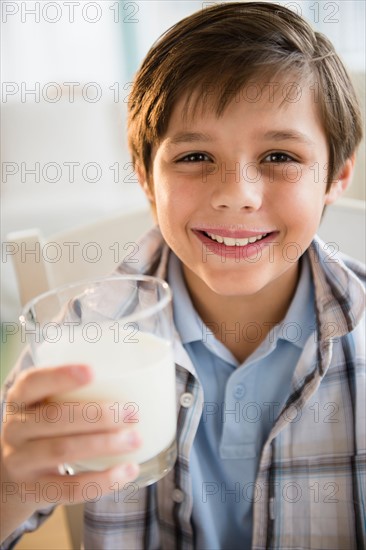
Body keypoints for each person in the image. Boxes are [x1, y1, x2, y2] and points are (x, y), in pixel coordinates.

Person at [1, 2, 365, 549]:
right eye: (195, 156)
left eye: (279, 156)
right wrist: (10, 483)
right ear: (146, 180)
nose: (235, 195)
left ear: (336, 177)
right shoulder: (84, 334)